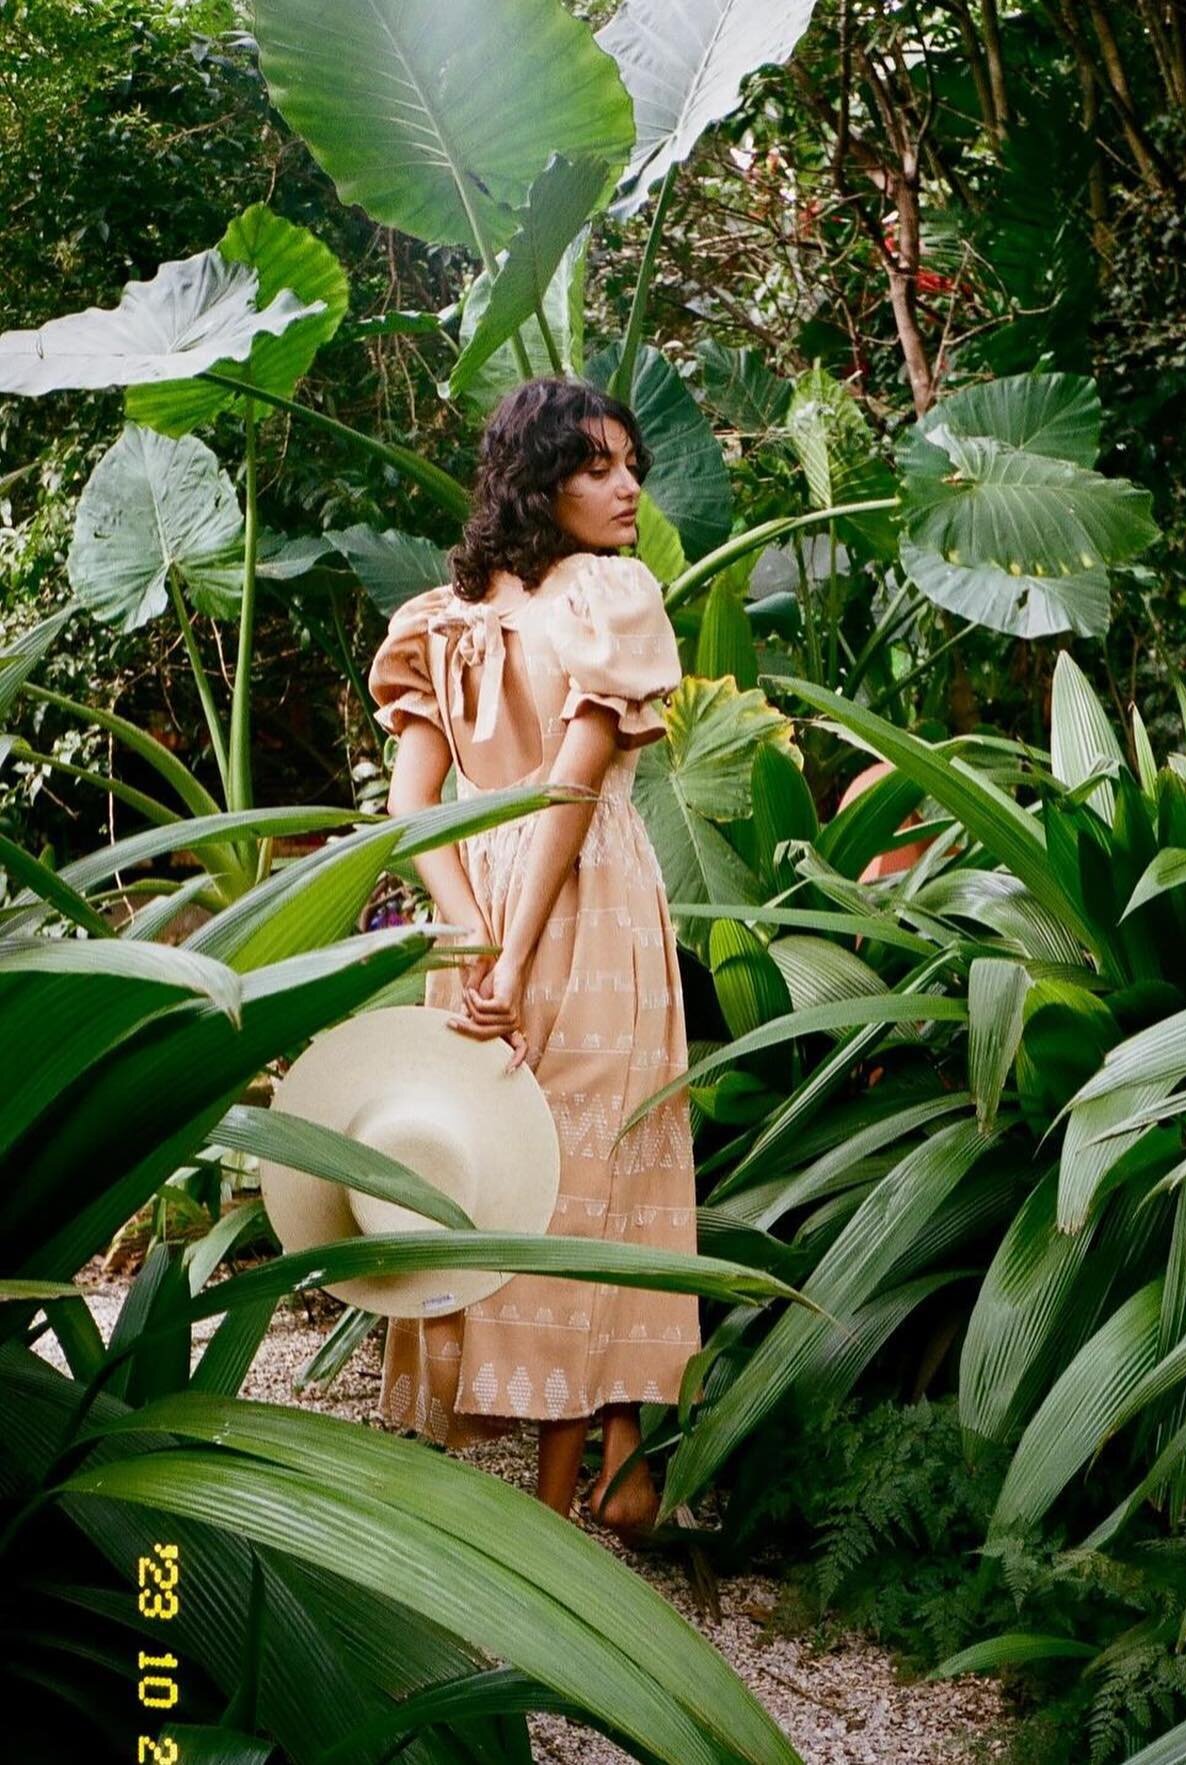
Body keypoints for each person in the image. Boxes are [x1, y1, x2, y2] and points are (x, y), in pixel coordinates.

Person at [365, 376, 701, 1541]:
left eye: (631, 469)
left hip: (478, 903)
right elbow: (571, 786)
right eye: (598, 466)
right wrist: (505, 949)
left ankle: (595, 1475)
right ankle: (574, 1510)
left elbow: (414, 809)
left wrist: (466, 939)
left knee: (519, 1176)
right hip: (585, 901)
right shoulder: (607, 597)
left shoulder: (436, 619)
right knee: (583, 1187)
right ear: (539, 475)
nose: (625, 490)